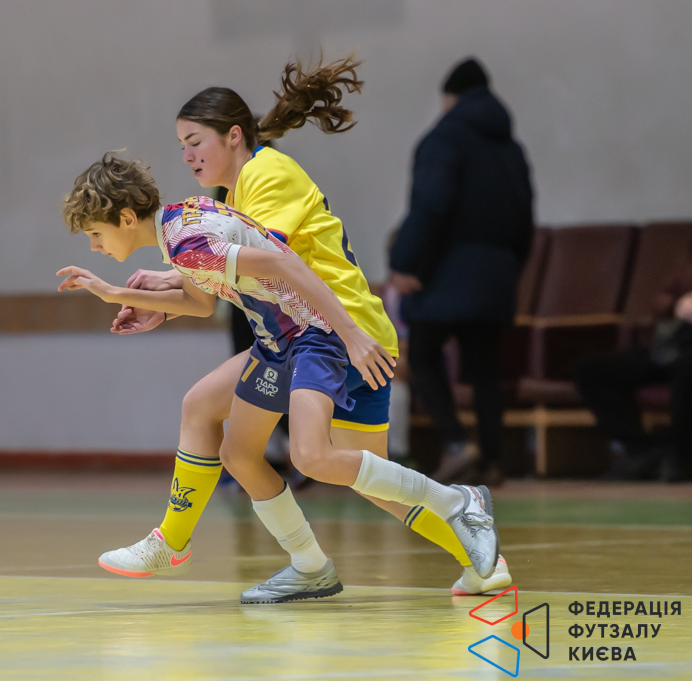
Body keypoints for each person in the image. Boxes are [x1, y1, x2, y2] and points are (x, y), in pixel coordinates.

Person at [111, 56, 512, 597]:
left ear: (233, 136)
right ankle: (475, 561)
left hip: (333, 330)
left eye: (195, 141)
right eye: (181, 145)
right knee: (259, 445)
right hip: (300, 335)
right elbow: (233, 276)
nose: (187, 156)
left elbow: (270, 266)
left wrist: (161, 283)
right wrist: (167, 291)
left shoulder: (267, 174)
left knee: (321, 460)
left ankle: (453, 509)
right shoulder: (234, 194)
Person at [389, 57, 534, 487]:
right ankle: (492, 461)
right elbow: (525, 218)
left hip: (446, 271)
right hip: (497, 273)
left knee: (423, 352)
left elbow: (431, 206)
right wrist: (511, 268)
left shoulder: (443, 139)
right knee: (484, 367)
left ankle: (456, 443)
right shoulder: (511, 149)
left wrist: (404, 261)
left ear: (449, 97)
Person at [575, 246, 692, 483]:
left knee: (687, 369)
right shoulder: (687, 260)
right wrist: (676, 305)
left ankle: (680, 456)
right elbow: (661, 300)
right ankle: (642, 451)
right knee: (592, 370)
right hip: (676, 341)